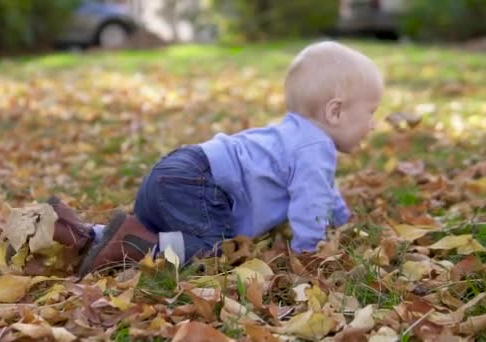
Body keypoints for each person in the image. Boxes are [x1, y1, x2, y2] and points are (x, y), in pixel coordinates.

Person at [46, 41, 384, 277]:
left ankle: (84, 233)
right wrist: (309, 254)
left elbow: (323, 191)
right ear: (335, 111)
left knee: (163, 232)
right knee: (213, 249)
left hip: (176, 171)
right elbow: (311, 205)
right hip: (199, 185)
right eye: (370, 113)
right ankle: (134, 247)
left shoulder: (293, 136)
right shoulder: (316, 148)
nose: (372, 125)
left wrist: (342, 218)